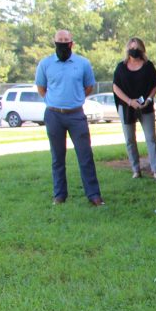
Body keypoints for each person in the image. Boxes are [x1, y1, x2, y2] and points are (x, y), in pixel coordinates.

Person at [35, 29, 104, 206]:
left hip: (76, 115)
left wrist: (75, 98)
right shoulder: (45, 64)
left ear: (72, 43)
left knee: (85, 156)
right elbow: (41, 88)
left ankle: (94, 195)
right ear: (54, 42)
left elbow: (89, 86)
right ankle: (59, 195)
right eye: (60, 40)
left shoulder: (83, 63)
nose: (63, 43)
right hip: (54, 115)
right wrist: (54, 101)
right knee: (57, 157)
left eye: (66, 40)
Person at [112, 37, 156, 180]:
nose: (134, 50)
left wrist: (149, 99)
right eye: (132, 48)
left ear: (142, 49)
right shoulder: (121, 67)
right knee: (129, 139)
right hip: (126, 107)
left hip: (145, 106)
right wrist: (129, 101)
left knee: (151, 138)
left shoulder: (148, 66)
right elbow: (115, 87)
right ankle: (136, 170)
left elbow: (155, 85)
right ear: (127, 49)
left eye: (137, 48)